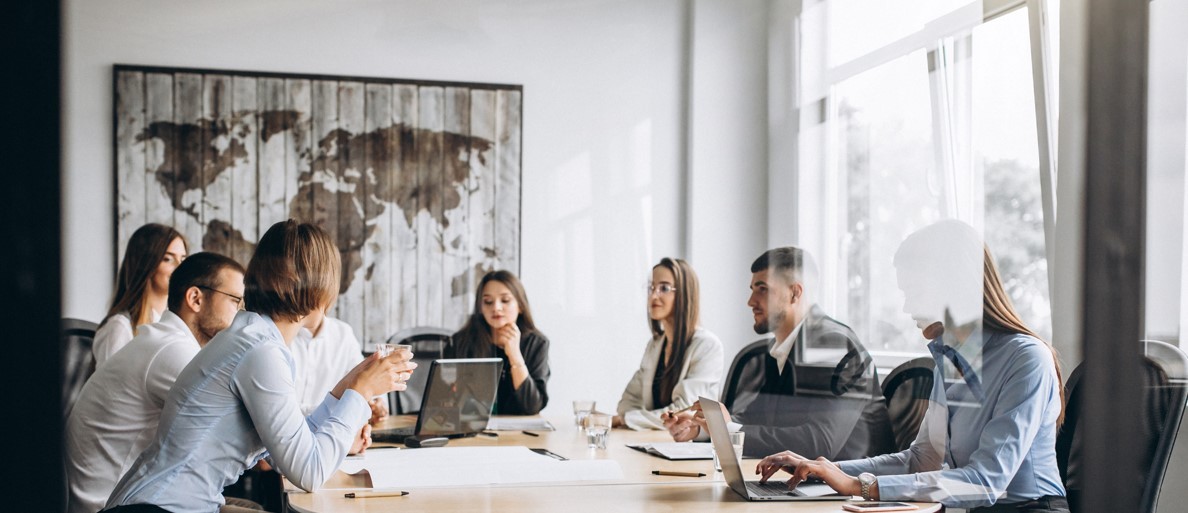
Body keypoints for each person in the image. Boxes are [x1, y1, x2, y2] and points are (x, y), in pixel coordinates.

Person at [755, 220, 1069, 513]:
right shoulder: (953, 358)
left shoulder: (1026, 359)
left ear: (952, 287)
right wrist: (826, 469)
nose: (907, 307)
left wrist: (861, 486)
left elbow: (984, 481)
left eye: (914, 292)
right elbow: (921, 459)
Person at [102, 220, 416, 513]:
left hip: (168, 501)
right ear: (320, 288)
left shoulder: (255, 336)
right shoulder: (261, 351)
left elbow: (289, 448)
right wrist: (360, 393)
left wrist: (345, 389)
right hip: (159, 507)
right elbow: (309, 472)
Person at [663, 247, 894, 459]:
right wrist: (705, 429)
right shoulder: (785, 346)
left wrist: (728, 430)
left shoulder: (831, 345)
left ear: (795, 293)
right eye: (752, 289)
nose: (750, 301)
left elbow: (819, 443)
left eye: (762, 289)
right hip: (802, 483)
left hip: (852, 491)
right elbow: (758, 420)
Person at [66, 252, 245, 513]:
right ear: (195, 298)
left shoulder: (164, 341)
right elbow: (237, 429)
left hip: (136, 497)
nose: (241, 315)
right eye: (235, 301)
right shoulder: (173, 352)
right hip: (113, 505)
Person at [614, 257, 723, 429]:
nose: (654, 295)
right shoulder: (655, 344)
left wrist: (627, 420)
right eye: (651, 287)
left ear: (684, 294)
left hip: (687, 447)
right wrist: (629, 418)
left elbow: (683, 412)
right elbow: (627, 404)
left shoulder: (707, 346)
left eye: (664, 288)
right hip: (655, 441)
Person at [449, 270, 550, 415]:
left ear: (520, 305)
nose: (496, 308)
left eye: (505, 300)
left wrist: (515, 356)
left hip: (520, 432)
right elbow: (448, 400)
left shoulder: (537, 343)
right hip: (472, 427)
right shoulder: (461, 341)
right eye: (488, 302)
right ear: (480, 307)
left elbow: (532, 406)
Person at [94, 223, 188, 366]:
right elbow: (110, 387)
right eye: (168, 259)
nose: (180, 268)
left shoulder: (175, 324)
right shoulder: (119, 328)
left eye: (183, 259)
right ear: (145, 263)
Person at [291, 307, 388, 424]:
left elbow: (364, 376)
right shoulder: (280, 334)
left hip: (333, 429)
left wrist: (376, 403)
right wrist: (346, 410)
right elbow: (282, 412)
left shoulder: (343, 332)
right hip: (291, 432)